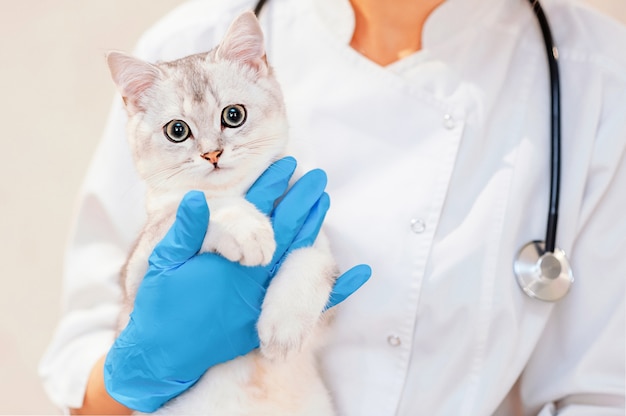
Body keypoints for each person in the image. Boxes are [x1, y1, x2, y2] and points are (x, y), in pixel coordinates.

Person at [40, 0, 626, 414]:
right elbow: (86, 382)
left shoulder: (598, 76)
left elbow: (604, 394)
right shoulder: (184, 47)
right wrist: (144, 365)